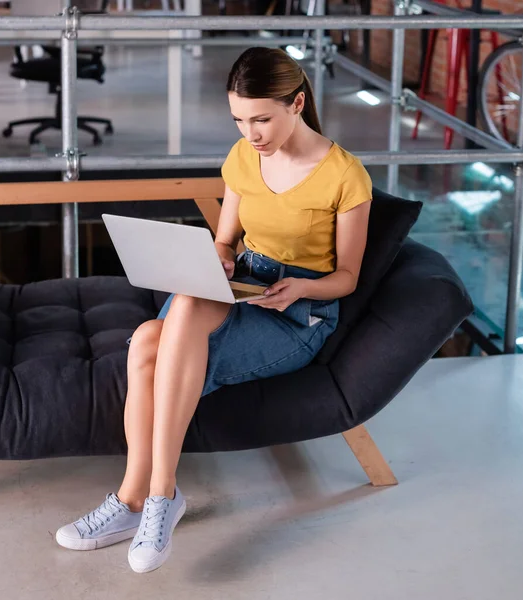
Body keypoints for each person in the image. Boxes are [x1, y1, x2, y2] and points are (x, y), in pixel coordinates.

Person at [55, 46, 373, 574]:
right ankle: (145, 499)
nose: (252, 134)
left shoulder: (345, 176)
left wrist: (299, 289)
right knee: (159, 329)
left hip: (299, 311)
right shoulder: (243, 157)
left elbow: (347, 279)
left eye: (262, 119)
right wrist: (220, 262)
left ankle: (149, 498)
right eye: (240, 120)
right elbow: (225, 242)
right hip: (246, 287)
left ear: (297, 104)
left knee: (150, 346)